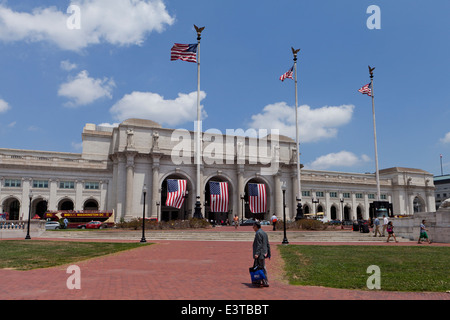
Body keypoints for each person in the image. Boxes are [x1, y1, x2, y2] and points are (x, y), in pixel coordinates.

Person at [252, 221, 271, 287]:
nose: (253, 228)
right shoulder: (264, 233)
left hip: (260, 254)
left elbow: (259, 245)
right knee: (259, 267)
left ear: (256, 227)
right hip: (263, 253)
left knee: (262, 268)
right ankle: (258, 280)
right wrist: (269, 253)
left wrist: (257, 253)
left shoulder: (258, 233)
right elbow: (267, 244)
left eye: (253, 226)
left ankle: (265, 281)